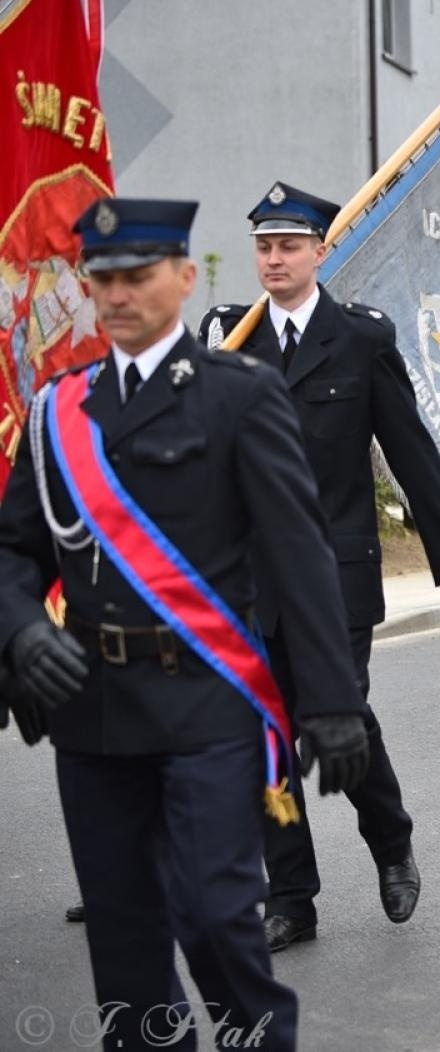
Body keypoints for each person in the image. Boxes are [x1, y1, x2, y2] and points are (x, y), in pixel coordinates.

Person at [0, 198, 371, 1050]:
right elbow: (13, 550)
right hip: (94, 710)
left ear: (178, 277)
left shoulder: (239, 396)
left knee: (213, 915)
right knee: (124, 938)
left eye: (137, 276)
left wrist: (333, 701)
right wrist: (20, 630)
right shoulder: (61, 411)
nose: (119, 294)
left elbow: (299, 555)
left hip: (207, 702)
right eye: (103, 280)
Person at [198, 182, 440, 952]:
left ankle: (391, 841)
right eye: (263, 246)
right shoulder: (228, 340)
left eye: (289, 245)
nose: (273, 259)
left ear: (321, 253)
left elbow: (412, 455)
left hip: (336, 576)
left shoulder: (360, 338)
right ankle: (291, 894)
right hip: (250, 582)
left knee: (342, 722)